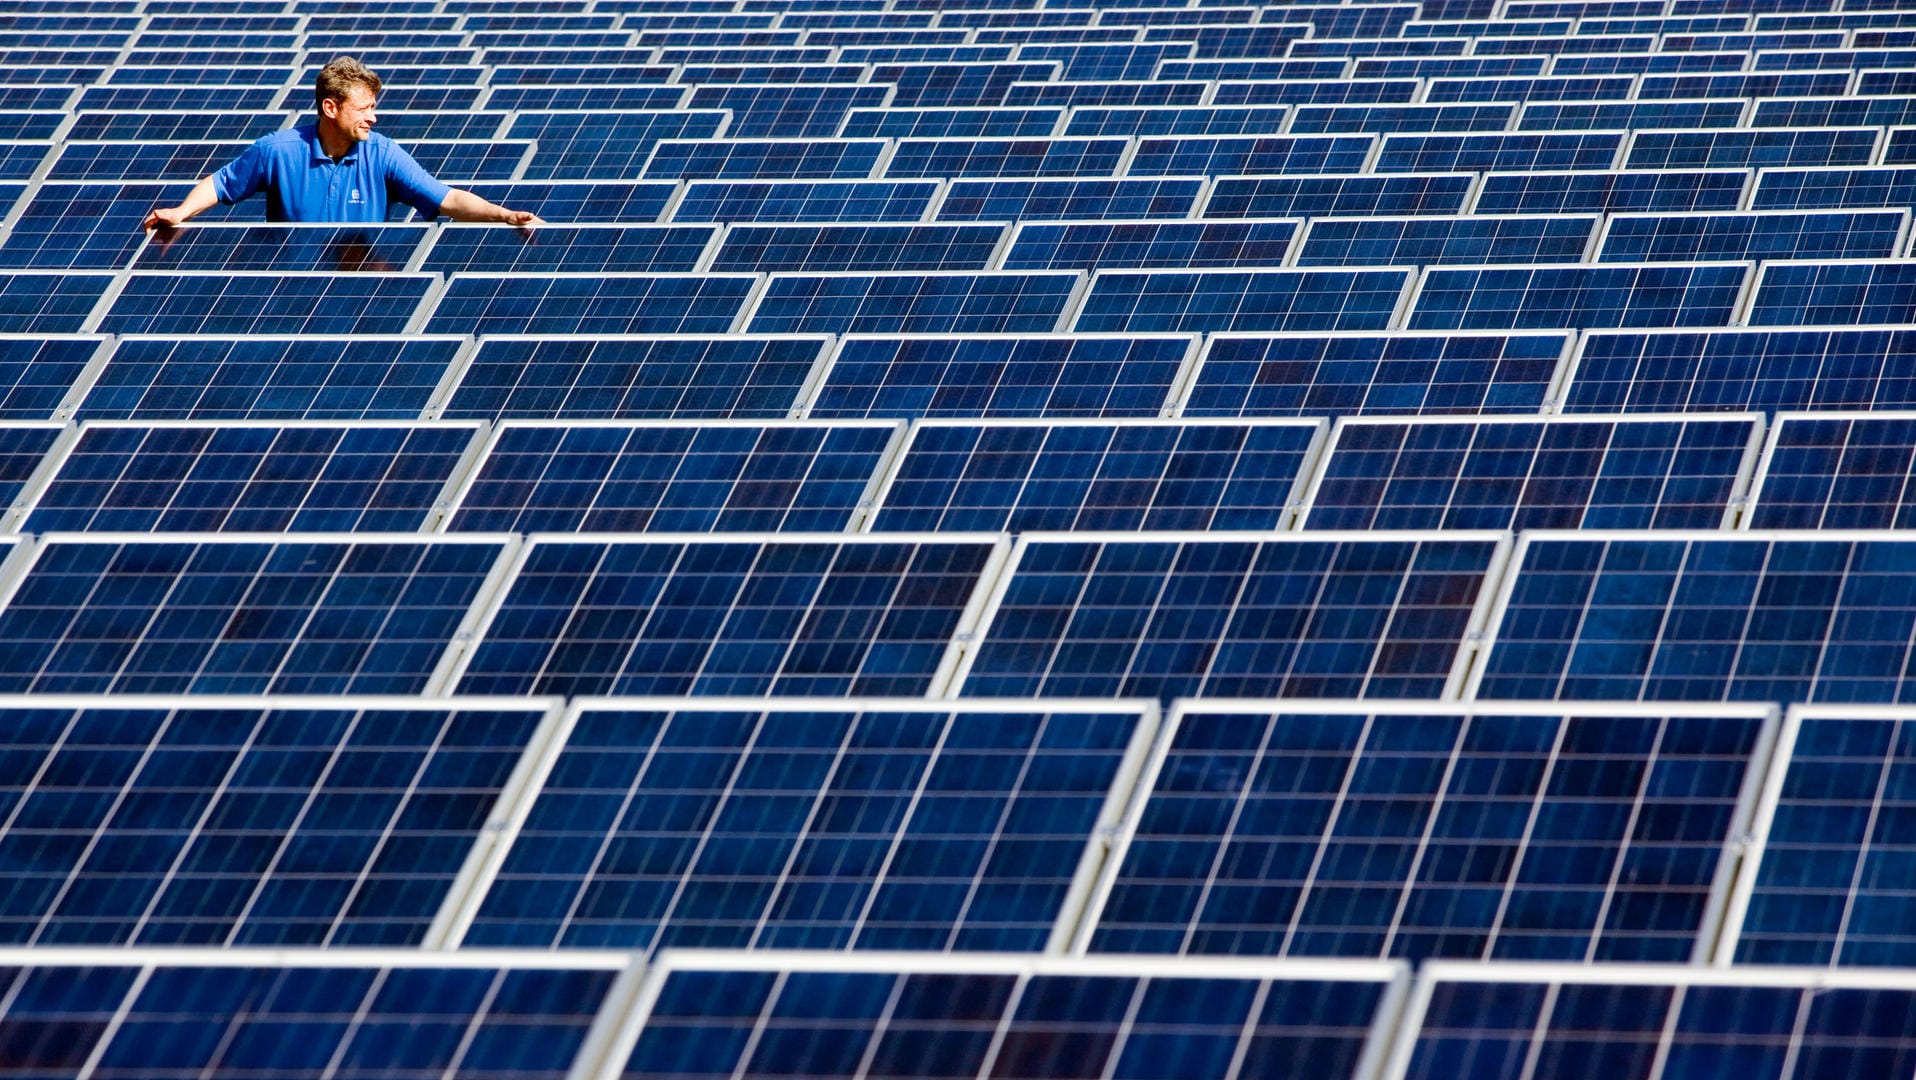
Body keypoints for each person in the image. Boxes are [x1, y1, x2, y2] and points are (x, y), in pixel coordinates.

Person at [144, 56, 539, 228]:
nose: (374, 116)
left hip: (362, 294)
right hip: (288, 295)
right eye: (364, 108)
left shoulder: (381, 153)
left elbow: (447, 198)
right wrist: (181, 212)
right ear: (330, 108)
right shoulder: (279, 151)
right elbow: (220, 184)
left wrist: (504, 215)